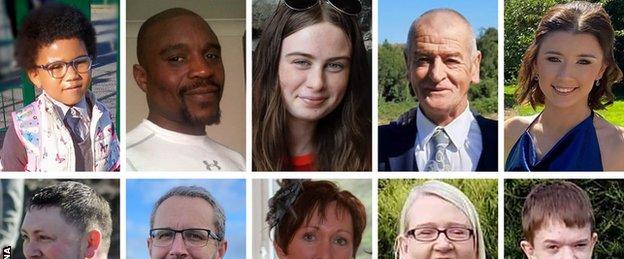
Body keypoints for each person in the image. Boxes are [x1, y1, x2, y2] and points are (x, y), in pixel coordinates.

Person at [252, 0, 371, 171]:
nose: (317, 83)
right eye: (301, 62)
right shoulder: (243, 151)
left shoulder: (369, 151)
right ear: (272, 62)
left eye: (335, 65)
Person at [505, 1, 624, 171]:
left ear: (601, 70)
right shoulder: (510, 132)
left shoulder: (618, 146)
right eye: (554, 59)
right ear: (535, 64)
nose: (565, 75)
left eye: (583, 62)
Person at [1, 3, 120, 171]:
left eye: (80, 62)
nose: (72, 75)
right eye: (56, 67)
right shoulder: (24, 127)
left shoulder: (103, 115)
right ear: (35, 75)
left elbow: (115, 165)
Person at [378, 9, 497, 172]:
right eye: (423, 60)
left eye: (451, 60)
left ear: (475, 66)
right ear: (408, 65)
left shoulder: (503, 141)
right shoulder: (375, 144)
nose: (436, 75)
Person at [127, 8, 245, 172]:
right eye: (177, 59)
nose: (204, 70)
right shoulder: (124, 159)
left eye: (211, 56)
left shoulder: (238, 161)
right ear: (142, 78)